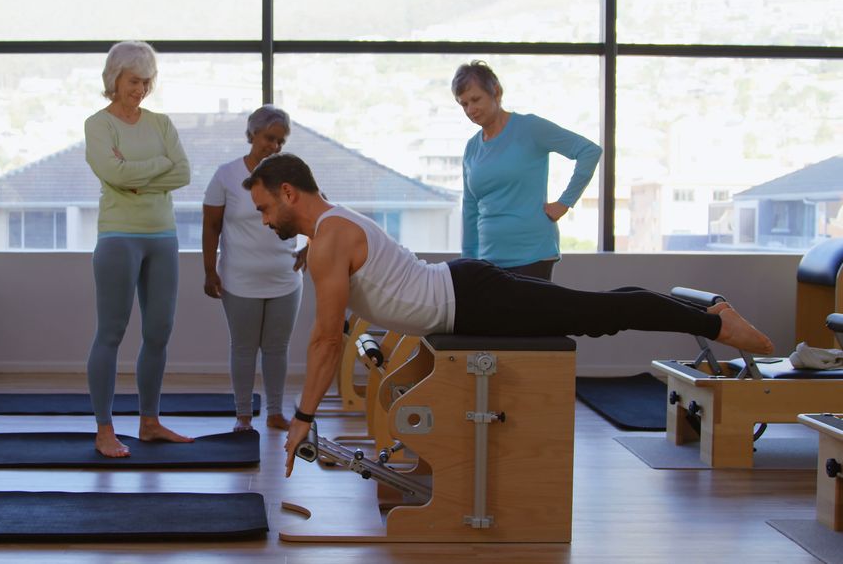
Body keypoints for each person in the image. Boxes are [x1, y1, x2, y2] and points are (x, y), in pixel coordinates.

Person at [239, 153, 775, 477]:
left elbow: (325, 340)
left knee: (597, 313)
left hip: (472, 299)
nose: (264, 220)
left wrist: (304, 419)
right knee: (596, 310)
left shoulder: (331, 237)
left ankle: (713, 319)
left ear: (289, 193)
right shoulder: (328, 231)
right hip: (463, 296)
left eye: (265, 207)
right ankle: (709, 314)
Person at [83, 41, 193, 457]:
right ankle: (105, 428)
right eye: (134, 80)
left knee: (159, 332)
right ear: (114, 79)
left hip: (163, 234)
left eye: (147, 81)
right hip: (118, 235)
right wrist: (156, 167)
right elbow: (111, 171)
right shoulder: (99, 125)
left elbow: (182, 172)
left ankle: (149, 422)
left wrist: (134, 176)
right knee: (111, 332)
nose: (141, 89)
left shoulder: (161, 123)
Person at [202, 105, 305, 432]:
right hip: (239, 279)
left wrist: (310, 248)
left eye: (281, 141)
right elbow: (211, 225)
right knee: (244, 348)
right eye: (269, 138)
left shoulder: (292, 174)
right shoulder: (227, 175)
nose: (274, 146)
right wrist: (209, 271)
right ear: (252, 135)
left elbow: (317, 214)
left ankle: (275, 413)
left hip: (285, 280)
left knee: (276, 348)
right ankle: (243, 417)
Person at [454, 60, 602, 281]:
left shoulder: (530, 128)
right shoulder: (472, 147)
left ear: (496, 92)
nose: (470, 110)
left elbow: (589, 151)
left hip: (532, 255)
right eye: (463, 104)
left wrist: (564, 203)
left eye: (475, 99)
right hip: (488, 259)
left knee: (530, 317)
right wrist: (467, 261)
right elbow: (470, 207)